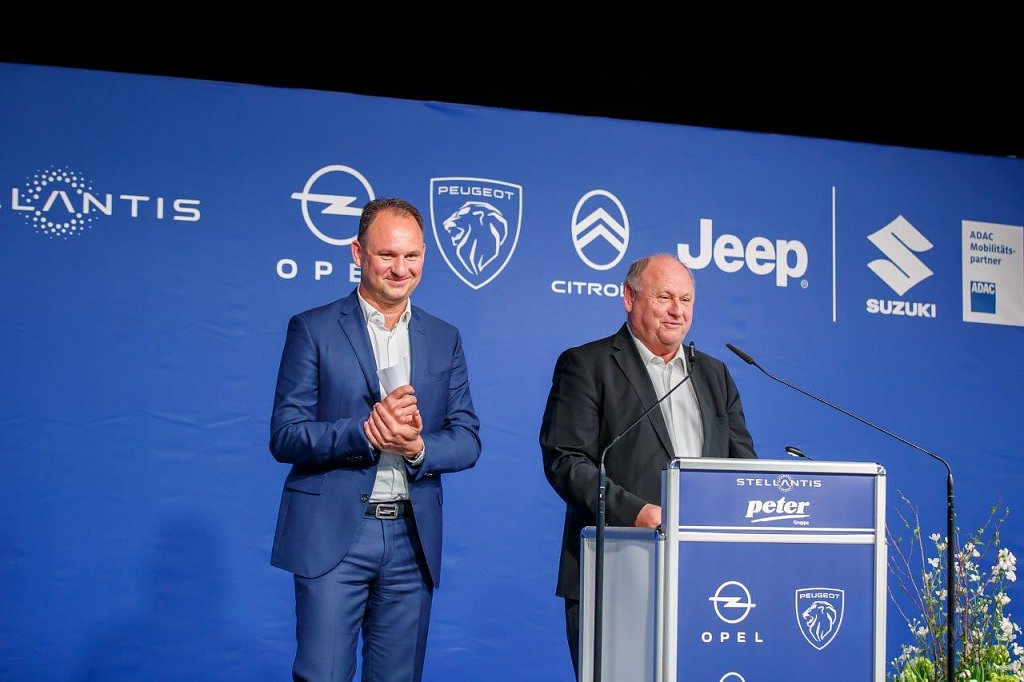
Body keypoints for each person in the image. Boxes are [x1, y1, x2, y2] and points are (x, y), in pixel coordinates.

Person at [269, 197, 481, 682]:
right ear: (358, 253)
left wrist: (418, 448)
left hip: (411, 539)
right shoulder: (313, 328)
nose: (400, 269)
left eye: (412, 256)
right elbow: (286, 434)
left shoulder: (444, 337)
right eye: (387, 255)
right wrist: (364, 431)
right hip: (334, 536)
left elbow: (467, 438)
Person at [539, 253, 757, 677]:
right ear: (629, 297)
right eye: (664, 297)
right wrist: (636, 512)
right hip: (615, 570)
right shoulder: (587, 365)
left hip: (706, 579)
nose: (677, 310)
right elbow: (566, 461)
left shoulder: (715, 375)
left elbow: (742, 469)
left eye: (686, 300)